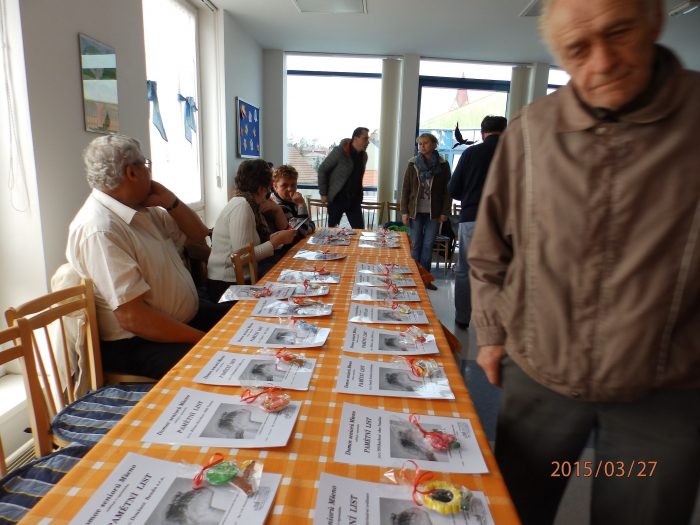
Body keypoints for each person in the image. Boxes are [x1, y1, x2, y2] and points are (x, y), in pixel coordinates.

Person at [469, 0, 700, 523]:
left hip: (664, 395)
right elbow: (489, 248)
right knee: (517, 510)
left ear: (655, 20)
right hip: (540, 377)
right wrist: (490, 334)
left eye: (619, 32)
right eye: (577, 48)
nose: (603, 61)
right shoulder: (531, 131)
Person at [66, 135, 229, 379]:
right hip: (139, 342)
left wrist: (170, 200)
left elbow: (198, 234)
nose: (149, 172)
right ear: (132, 172)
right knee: (224, 364)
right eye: (146, 164)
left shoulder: (143, 209)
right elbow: (134, 318)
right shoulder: (100, 229)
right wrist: (206, 340)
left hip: (181, 321)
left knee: (244, 318)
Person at [448, 115, 507, 330]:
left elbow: (453, 189)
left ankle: (463, 318)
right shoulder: (516, 153)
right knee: (500, 271)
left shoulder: (471, 153)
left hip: (472, 218)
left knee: (465, 270)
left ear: (483, 133)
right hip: (504, 222)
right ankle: (495, 322)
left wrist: (470, 193)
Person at [207, 160, 296, 301]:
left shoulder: (244, 203)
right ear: (261, 189)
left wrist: (275, 238)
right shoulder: (242, 207)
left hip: (236, 280)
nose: (268, 194)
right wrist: (276, 241)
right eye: (268, 189)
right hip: (226, 285)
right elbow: (242, 258)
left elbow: (248, 247)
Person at [400, 133, 451, 286]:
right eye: (420, 144)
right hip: (415, 211)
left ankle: (425, 279)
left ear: (434, 144)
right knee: (416, 244)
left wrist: (445, 212)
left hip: (433, 212)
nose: (422, 146)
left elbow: (447, 191)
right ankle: (414, 277)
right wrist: (404, 212)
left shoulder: (443, 164)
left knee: (428, 245)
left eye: (426, 143)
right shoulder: (413, 163)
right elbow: (406, 189)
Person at [317, 127, 369, 228]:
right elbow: (322, 170)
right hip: (337, 199)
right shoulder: (339, 151)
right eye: (365, 138)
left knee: (359, 230)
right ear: (355, 138)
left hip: (354, 200)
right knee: (332, 231)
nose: (368, 142)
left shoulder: (364, 156)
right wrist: (323, 193)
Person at [270, 164, 315, 238]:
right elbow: (301, 232)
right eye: (284, 185)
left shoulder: (293, 201)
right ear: (275, 187)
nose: (290, 189)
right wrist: (302, 205)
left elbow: (310, 223)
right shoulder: (277, 206)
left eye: (293, 185)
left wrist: (306, 228)